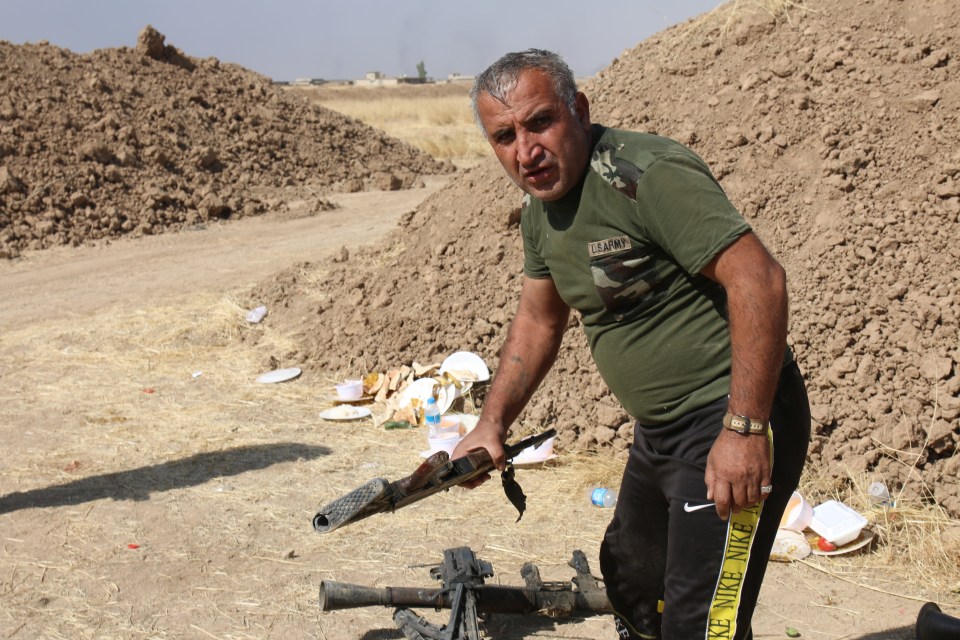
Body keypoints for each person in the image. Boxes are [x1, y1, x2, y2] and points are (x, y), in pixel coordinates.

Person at [450, 48, 811, 640]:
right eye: (504, 136)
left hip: (731, 419)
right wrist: (492, 423)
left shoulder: (642, 174)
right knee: (634, 584)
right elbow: (541, 320)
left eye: (540, 122)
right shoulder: (541, 211)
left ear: (579, 112)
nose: (525, 150)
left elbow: (760, 280)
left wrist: (743, 430)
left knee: (703, 624)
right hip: (661, 433)